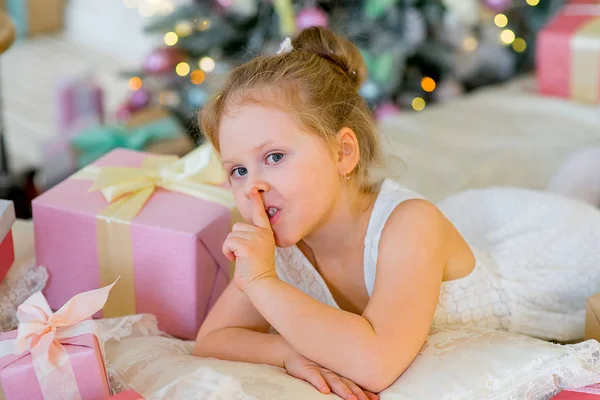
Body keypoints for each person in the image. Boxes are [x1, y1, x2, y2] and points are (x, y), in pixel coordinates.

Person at [193, 27, 600, 399]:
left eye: (275, 156)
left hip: (545, 261)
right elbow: (212, 339)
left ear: (343, 152)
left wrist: (262, 282)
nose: (253, 186)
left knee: (586, 203)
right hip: (462, 233)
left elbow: (376, 363)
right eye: (238, 170)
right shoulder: (279, 244)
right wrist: (286, 353)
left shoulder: (409, 225)